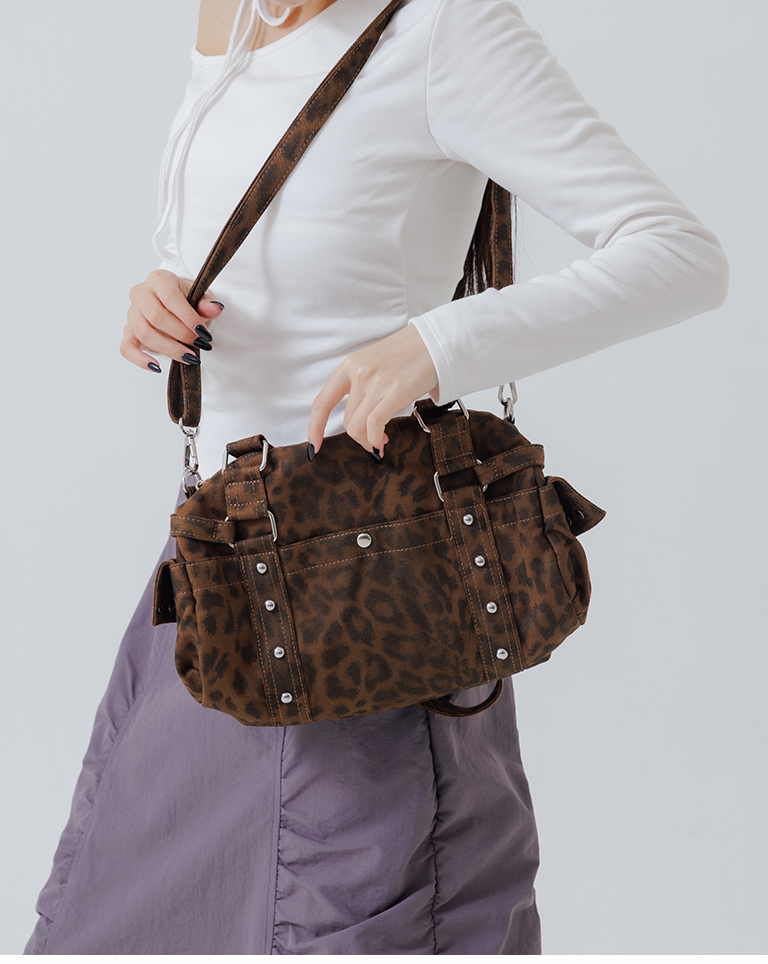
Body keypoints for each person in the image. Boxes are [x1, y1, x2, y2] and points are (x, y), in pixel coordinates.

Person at [24, 0, 729, 954]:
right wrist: (164, 296)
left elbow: (681, 255)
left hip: (362, 592)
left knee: (349, 912)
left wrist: (436, 345)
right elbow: (253, 236)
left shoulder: (446, 28)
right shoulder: (230, 15)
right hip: (220, 572)